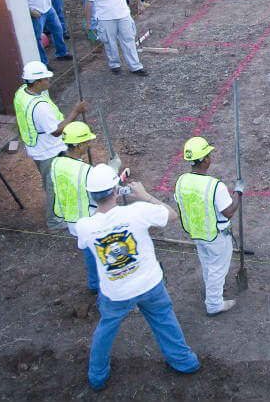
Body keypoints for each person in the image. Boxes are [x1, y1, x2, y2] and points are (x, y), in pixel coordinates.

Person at [76, 164, 200, 390]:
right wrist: (144, 195)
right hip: (149, 283)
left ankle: (97, 375)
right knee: (163, 319)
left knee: (105, 330)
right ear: (116, 190)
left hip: (116, 292)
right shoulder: (137, 211)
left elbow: (87, 241)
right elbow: (171, 215)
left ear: (90, 194)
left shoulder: (84, 226)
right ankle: (184, 361)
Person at [14, 61, 86, 230]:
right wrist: (76, 111)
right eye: (45, 78)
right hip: (48, 150)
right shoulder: (39, 107)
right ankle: (54, 220)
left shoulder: (22, 93)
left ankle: (63, 205)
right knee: (53, 184)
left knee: (53, 180)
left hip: (38, 147)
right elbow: (56, 131)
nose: (48, 80)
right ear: (37, 82)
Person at [173, 137, 241, 316]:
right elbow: (229, 211)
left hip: (196, 232)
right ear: (204, 159)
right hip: (216, 235)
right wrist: (238, 193)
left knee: (207, 265)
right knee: (218, 268)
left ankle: (213, 290)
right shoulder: (214, 186)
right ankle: (214, 304)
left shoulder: (181, 181)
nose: (210, 157)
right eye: (208, 155)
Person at [51, 121, 106, 293]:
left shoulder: (56, 163)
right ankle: (98, 286)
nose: (89, 144)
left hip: (70, 217)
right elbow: (100, 194)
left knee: (88, 251)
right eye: (87, 142)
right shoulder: (85, 171)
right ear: (79, 144)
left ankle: (94, 284)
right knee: (97, 254)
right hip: (87, 219)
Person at [83, 0, 146, 76]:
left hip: (123, 14)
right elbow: (89, 2)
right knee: (109, 42)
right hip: (105, 18)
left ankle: (135, 66)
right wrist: (89, 22)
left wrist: (139, 2)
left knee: (128, 39)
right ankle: (115, 64)